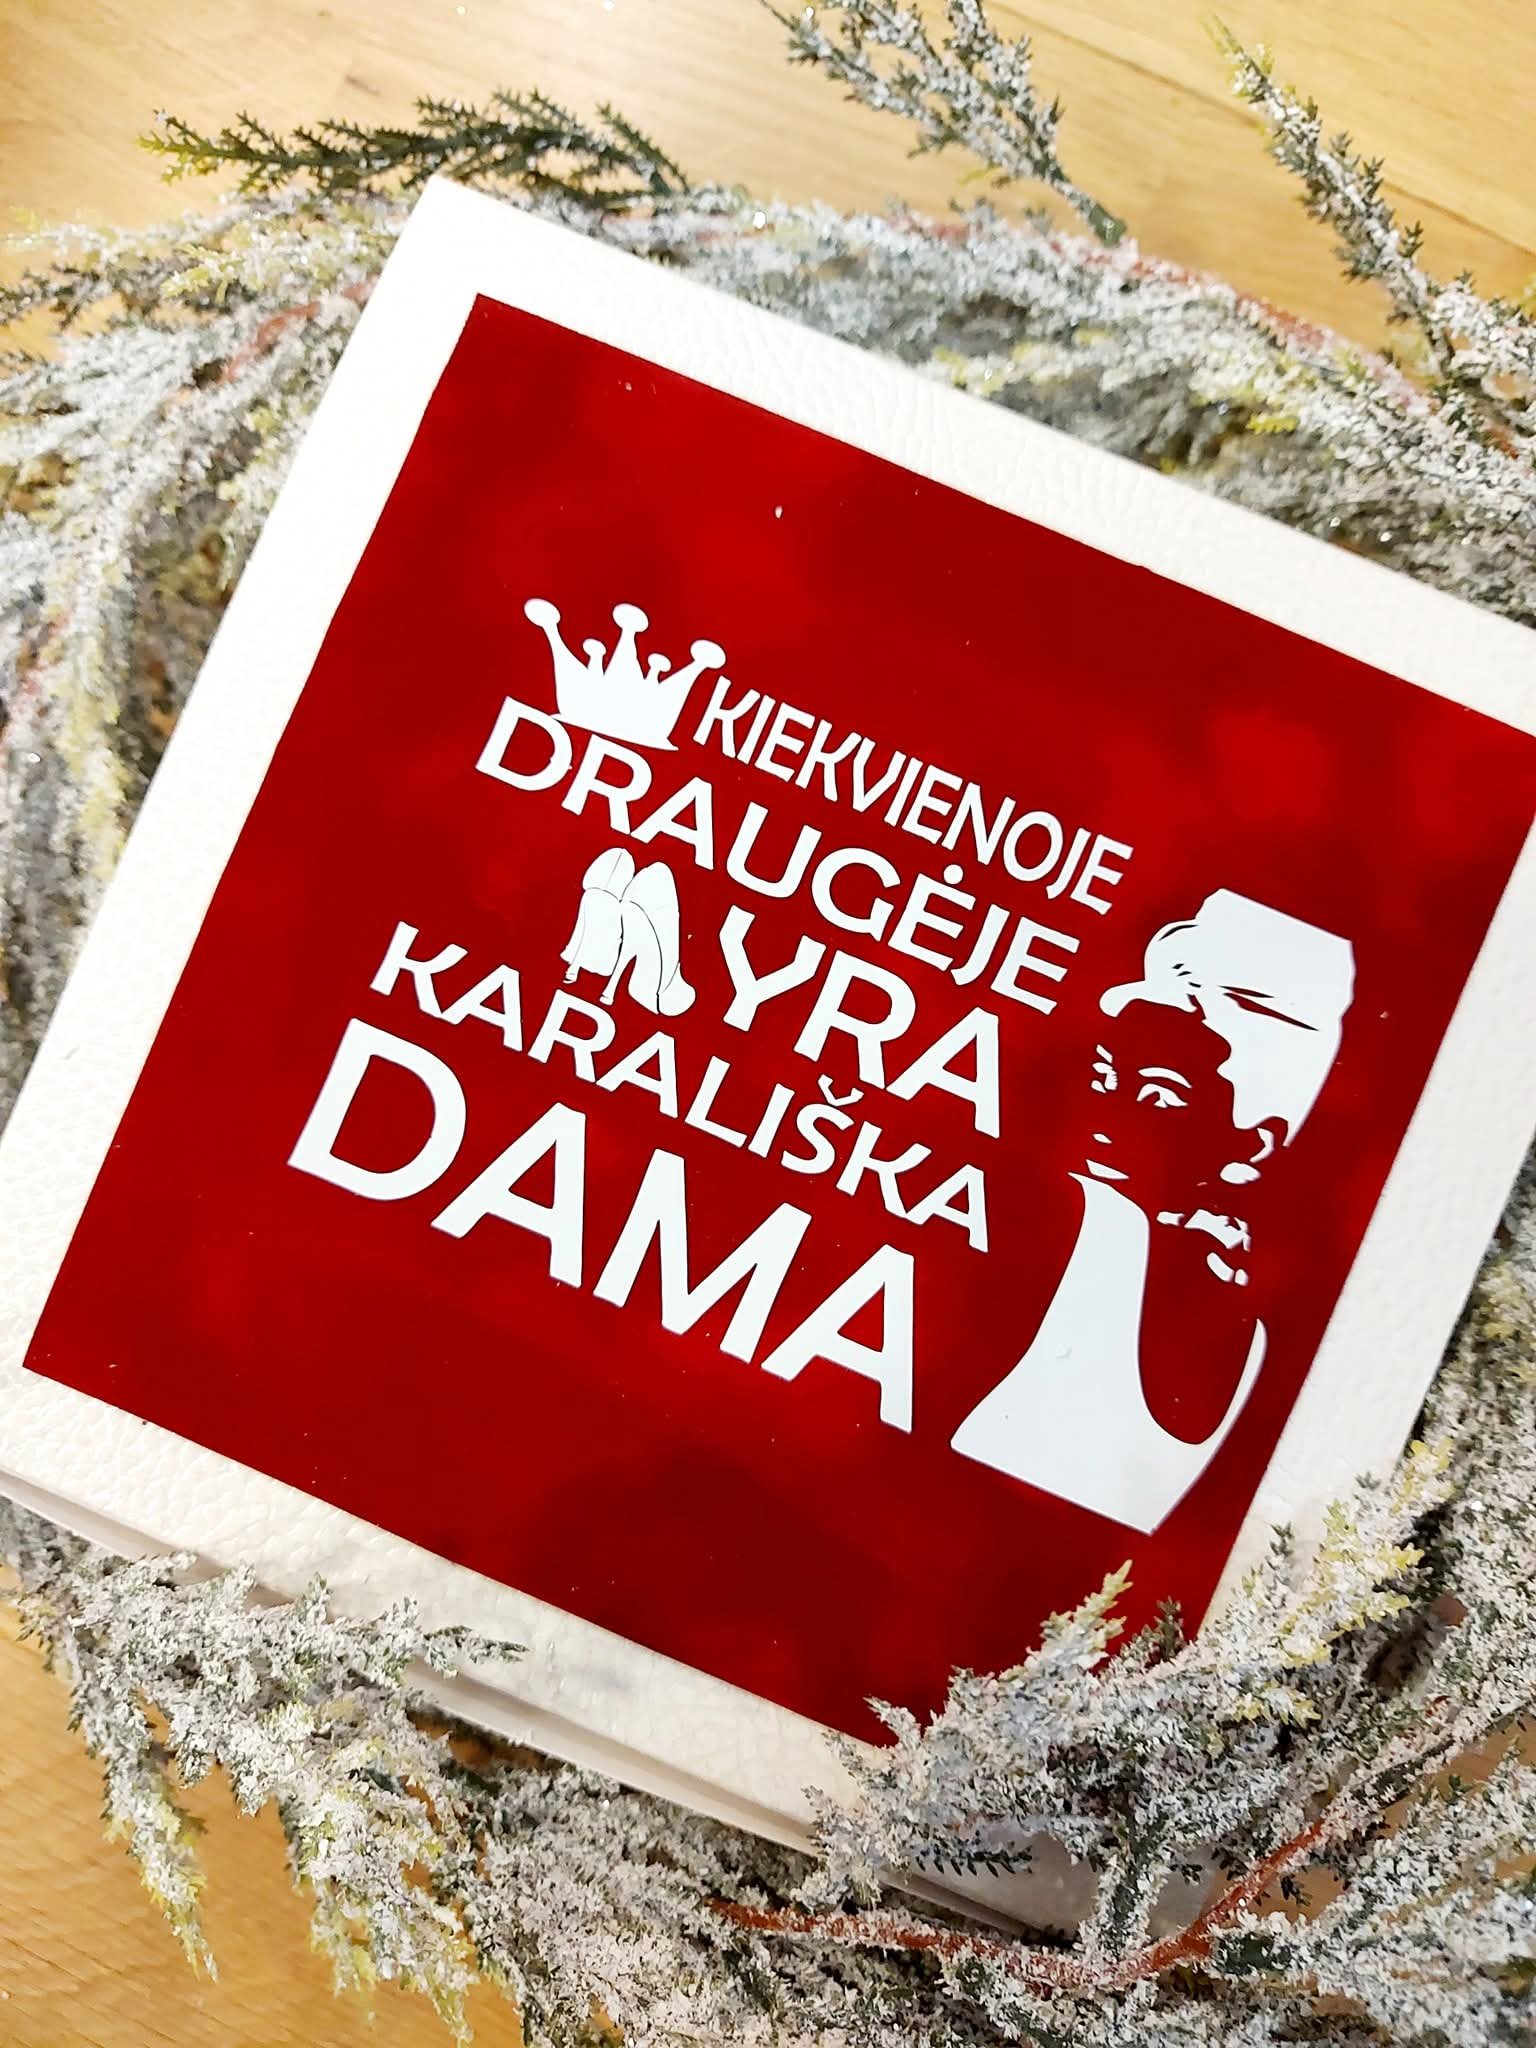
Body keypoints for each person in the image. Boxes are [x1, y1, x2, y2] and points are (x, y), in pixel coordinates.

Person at [950, 889, 1355, 1534]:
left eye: (1160, 1095)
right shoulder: (1076, 1241)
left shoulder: (1179, 1293)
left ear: (1249, 1148)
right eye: (1105, 1076)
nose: (1107, 1115)